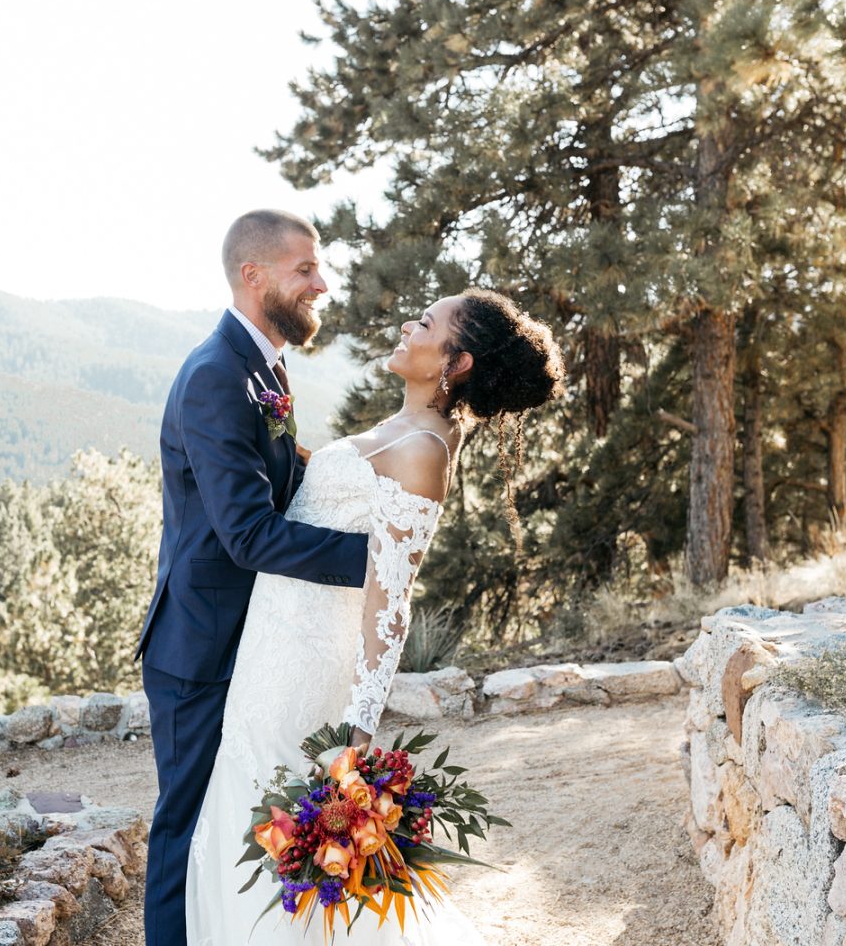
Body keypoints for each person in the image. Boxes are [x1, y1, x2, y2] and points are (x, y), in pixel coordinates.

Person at [186, 284, 564, 944]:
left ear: (457, 362)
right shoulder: (407, 429)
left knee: (274, 828)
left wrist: (359, 736)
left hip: (306, 662)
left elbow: (391, 601)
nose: (408, 327)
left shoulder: (425, 449)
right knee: (250, 810)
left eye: (426, 323)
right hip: (274, 641)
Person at [134, 209, 371, 946]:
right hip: (198, 648)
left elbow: (279, 481)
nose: (321, 284)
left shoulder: (264, 367)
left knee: (236, 822)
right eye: (305, 270)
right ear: (254, 275)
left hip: (257, 638)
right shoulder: (216, 375)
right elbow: (246, 534)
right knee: (186, 829)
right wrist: (374, 560)